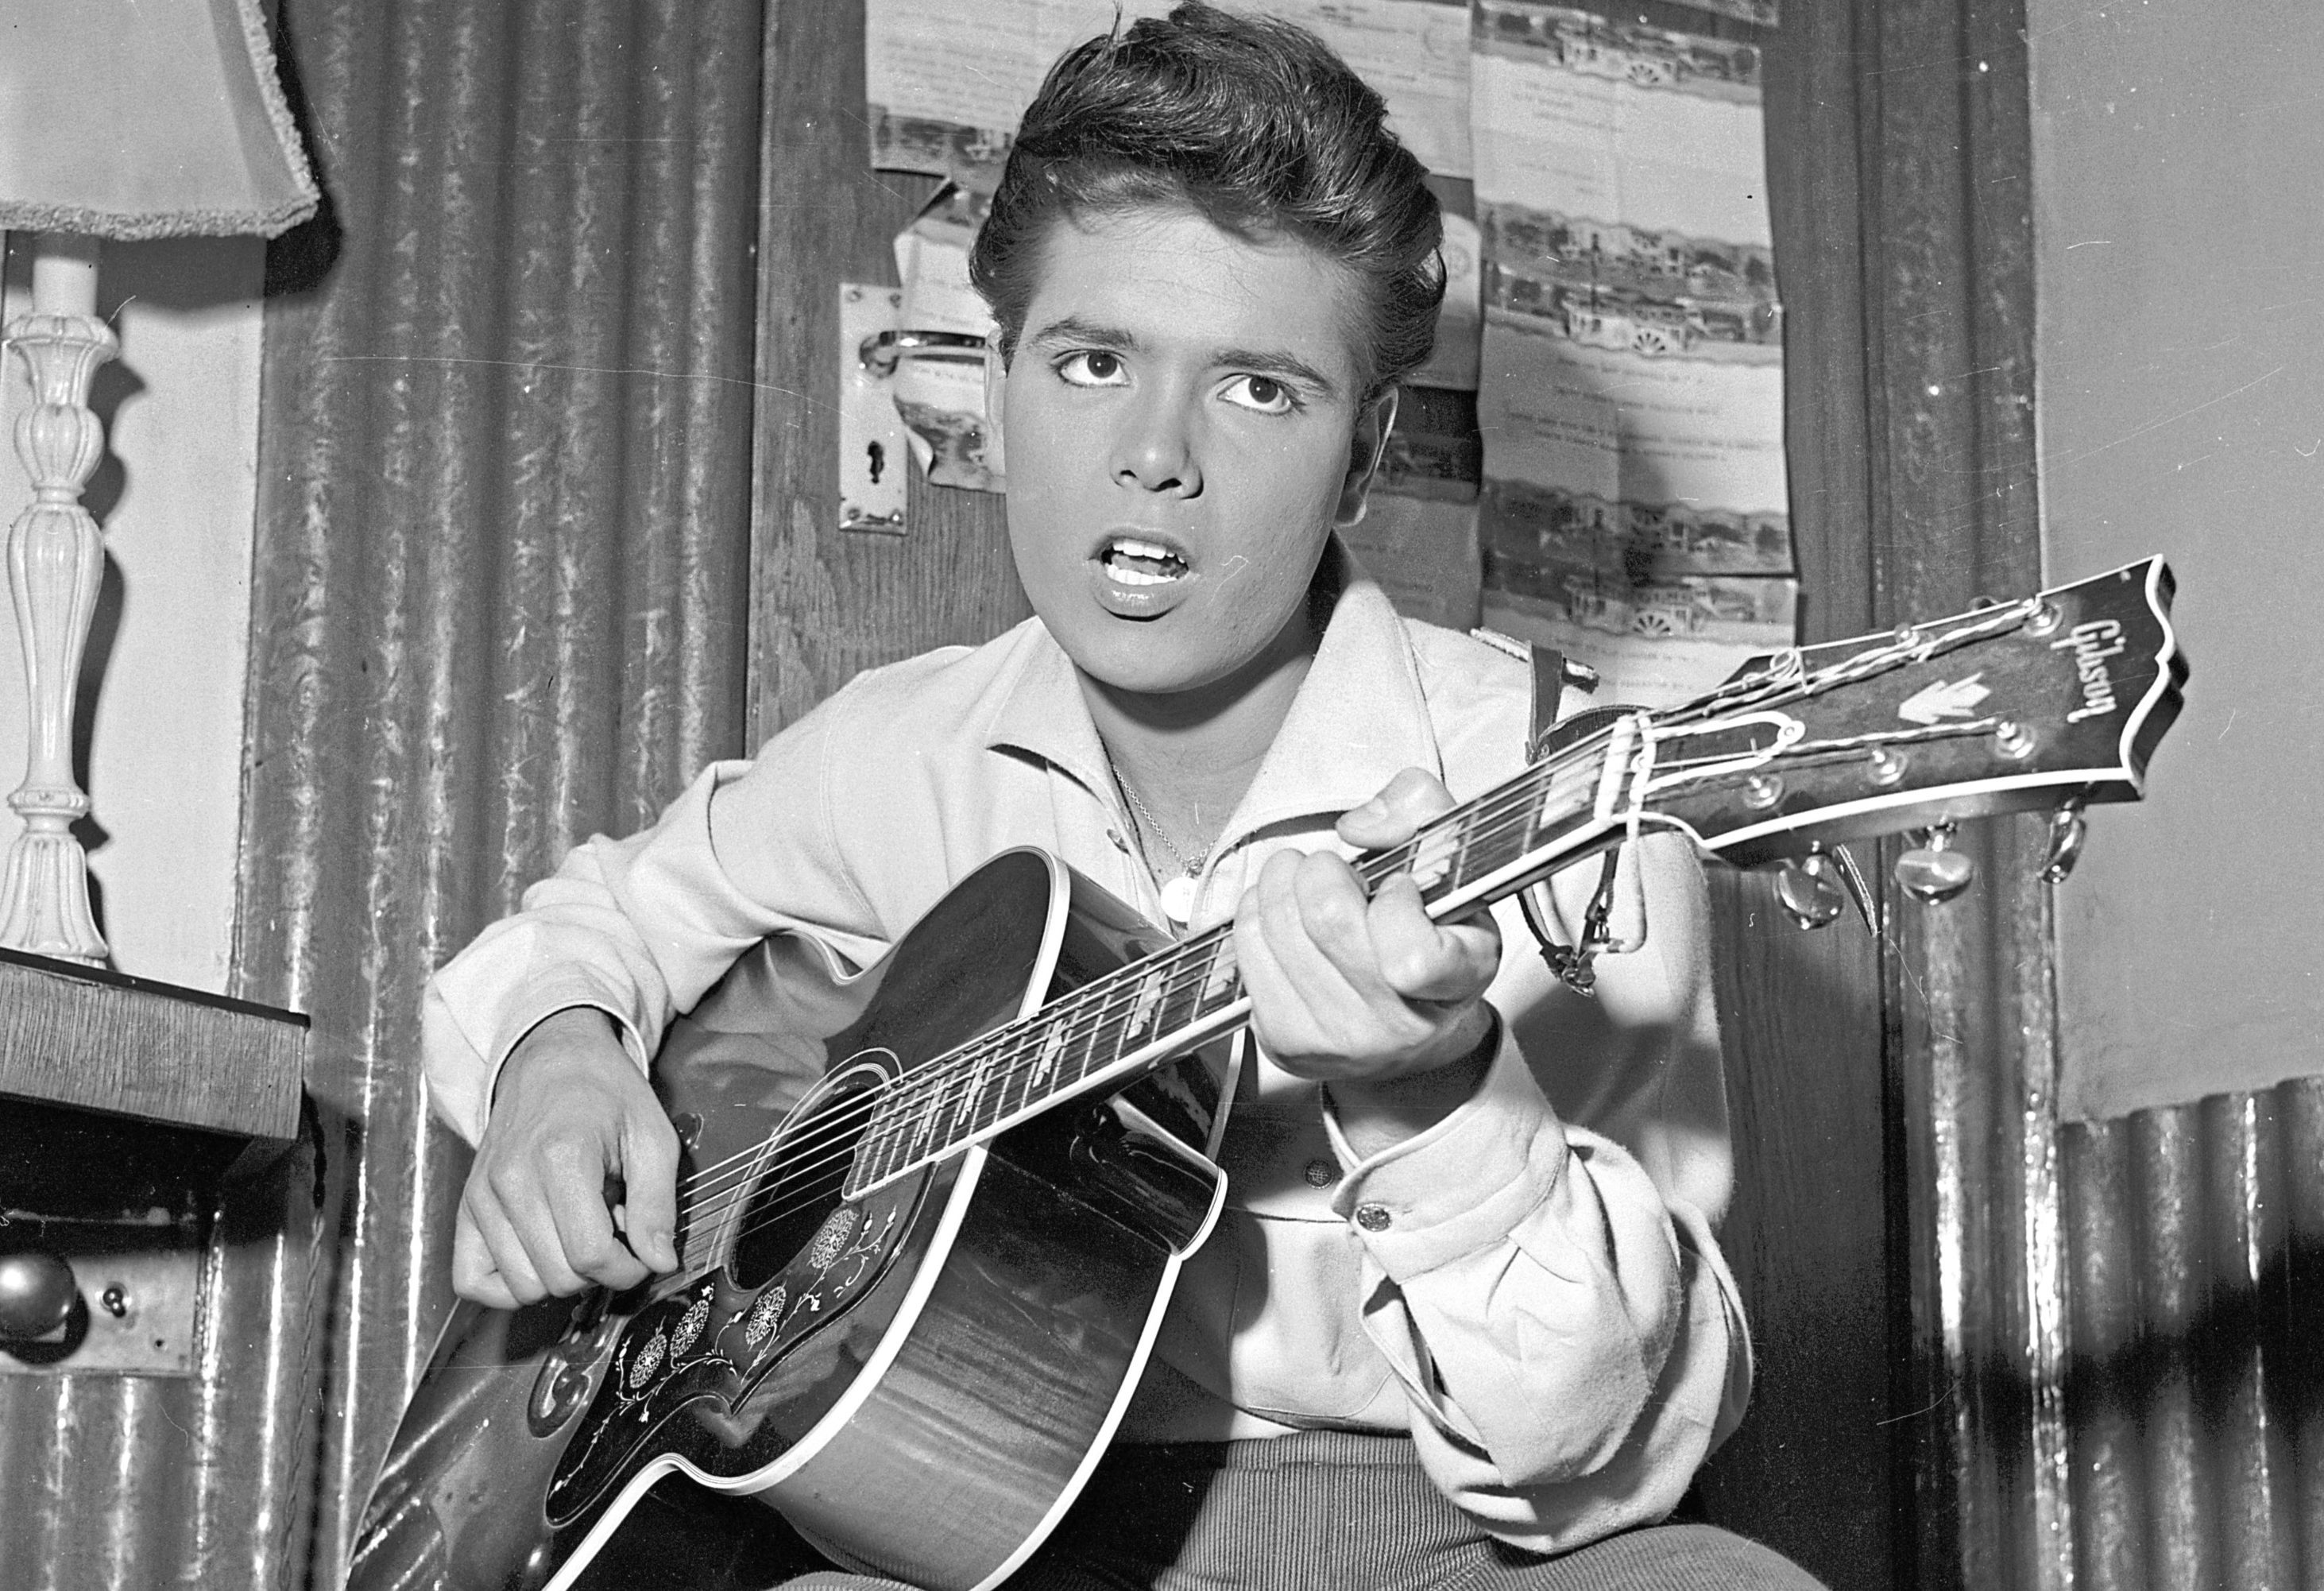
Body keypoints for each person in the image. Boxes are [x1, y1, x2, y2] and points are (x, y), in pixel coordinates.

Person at [423, 6, 1824, 1587]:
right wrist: (556, 1052)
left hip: (1419, 1538)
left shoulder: (1568, 794)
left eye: (1257, 391)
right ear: (1003, 381)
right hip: (955, 1528)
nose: (1153, 454)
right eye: (1092, 361)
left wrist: (1433, 1095)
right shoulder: (900, 747)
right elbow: (608, 914)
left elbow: (1614, 1455)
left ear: (1360, 458)